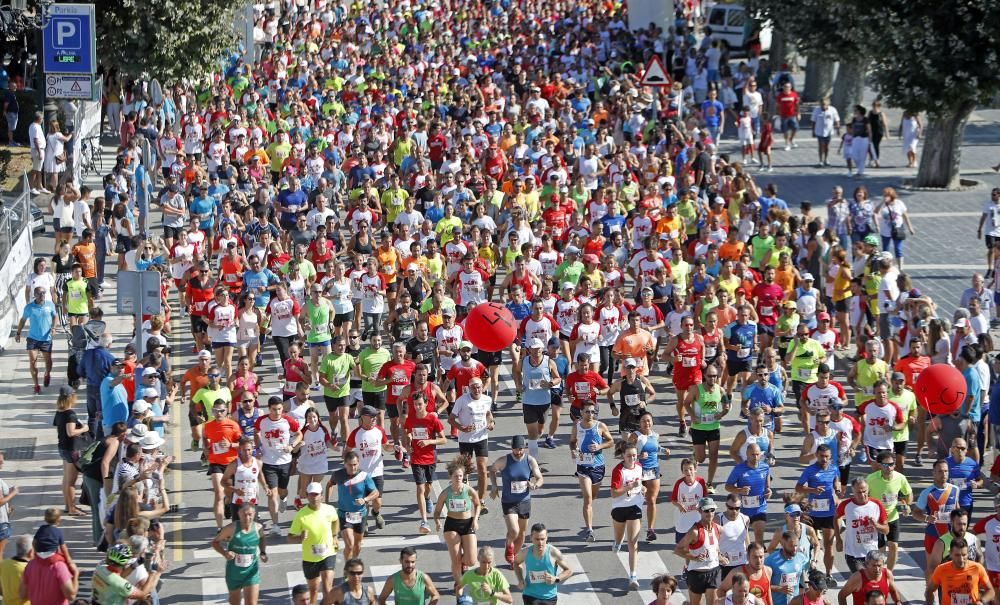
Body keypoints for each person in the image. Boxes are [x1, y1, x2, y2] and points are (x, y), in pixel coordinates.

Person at [489, 435, 544, 565]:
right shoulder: (504, 460)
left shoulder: (530, 460)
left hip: (524, 501)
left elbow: (540, 478)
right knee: (514, 530)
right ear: (511, 448)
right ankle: (509, 546)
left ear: (524, 448)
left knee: (522, 534)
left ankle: (514, 557)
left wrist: (535, 485)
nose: (518, 452)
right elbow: (492, 470)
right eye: (515, 449)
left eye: (521, 449)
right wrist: (494, 486)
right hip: (509, 501)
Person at [434, 456, 481, 591]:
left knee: (471, 560)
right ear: (450, 476)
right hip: (451, 525)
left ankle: (463, 565)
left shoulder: (469, 490)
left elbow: (478, 505)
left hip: (468, 524)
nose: (458, 478)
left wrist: (475, 519)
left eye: (460, 476)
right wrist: (437, 522)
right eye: (456, 476)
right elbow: (437, 512)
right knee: (456, 560)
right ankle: (459, 583)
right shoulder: (445, 493)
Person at [287, 481, 339, 605]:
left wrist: (335, 536)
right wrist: (300, 538)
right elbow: (289, 538)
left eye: (316, 494)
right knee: (313, 590)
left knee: (327, 588)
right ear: (306, 495)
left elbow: (335, 520)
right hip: (310, 558)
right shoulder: (301, 515)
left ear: (321, 495)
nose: (314, 497)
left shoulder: (329, 509)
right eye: (311, 494)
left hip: (328, 554)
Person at [403, 390, 447, 534]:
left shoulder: (433, 419)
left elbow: (443, 439)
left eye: (420, 404)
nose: (417, 407)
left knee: (428, 487)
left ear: (426, 404)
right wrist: (408, 444)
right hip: (416, 458)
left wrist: (429, 441)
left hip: (430, 457)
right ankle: (424, 520)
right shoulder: (410, 418)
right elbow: (407, 433)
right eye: (415, 404)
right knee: (420, 488)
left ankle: (428, 498)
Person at [570, 402, 614, 542]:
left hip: (598, 465)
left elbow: (611, 441)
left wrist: (600, 445)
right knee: (587, 498)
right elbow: (572, 441)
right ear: (581, 412)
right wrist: (573, 450)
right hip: (583, 465)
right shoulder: (577, 426)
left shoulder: (600, 426)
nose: (590, 414)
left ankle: (588, 509)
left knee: (593, 496)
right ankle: (589, 530)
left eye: (592, 412)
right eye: (587, 411)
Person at [449, 378, 495, 513]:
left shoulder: (487, 399)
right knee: (465, 472)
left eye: (479, 387)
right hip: (465, 440)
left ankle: (481, 501)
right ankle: (465, 497)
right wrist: (461, 428)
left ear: (482, 387)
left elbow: (488, 414)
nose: (477, 390)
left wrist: (491, 423)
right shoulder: (462, 400)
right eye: (474, 388)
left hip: (481, 437)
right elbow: (451, 419)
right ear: (469, 388)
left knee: (482, 469)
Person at [212, 503, 268, 605]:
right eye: (244, 514)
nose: (247, 517)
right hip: (234, 573)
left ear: (254, 514)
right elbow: (215, 542)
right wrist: (225, 553)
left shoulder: (258, 528)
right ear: (239, 514)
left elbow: (262, 538)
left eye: (250, 514)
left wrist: (263, 552)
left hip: (252, 573)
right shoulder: (231, 528)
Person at [326, 449, 377, 563]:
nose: (353, 467)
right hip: (344, 514)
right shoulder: (338, 474)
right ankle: (348, 567)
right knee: (350, 544)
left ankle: (353, 562)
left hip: (360, 514)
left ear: (358, 463)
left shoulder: (364, 476)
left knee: (357, 545)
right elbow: (329, 484)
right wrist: (327, 503)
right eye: (350, 465)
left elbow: (375, 493)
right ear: (345, 464)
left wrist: (365, 499)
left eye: (355, 464)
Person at [864, 450, 912, 570]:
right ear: (880, 466)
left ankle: (889, 573)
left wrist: (908, 505)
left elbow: (908, 494)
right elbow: (863, 496)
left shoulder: (900, 478)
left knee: (893, 546)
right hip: (877, 519)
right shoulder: (870, 479)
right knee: (880, 549)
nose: (889, 467)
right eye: (885, 465)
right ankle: (878, 570)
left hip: (892, 516)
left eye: (891, 464)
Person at [675, 497, 726, 605]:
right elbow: (678, 550)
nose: (710, 513)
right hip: (696, 574)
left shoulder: (718, 528)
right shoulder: (695, 531)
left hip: (714, 572)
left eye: (712, 510)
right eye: (706, 510)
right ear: (699, 511)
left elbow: (714, 548)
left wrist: (721, 557)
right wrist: (694, 558)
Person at [611, 442, 646, 591]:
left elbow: (640, 484)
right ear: (623, 456)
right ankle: (617, 543)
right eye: (629, 456)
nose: (632, 458)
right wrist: (630, 487)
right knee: (619, 538)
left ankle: (633, 575)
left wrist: (642, 488)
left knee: (632, 542)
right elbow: (614, 493)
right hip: (620, 507)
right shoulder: (618, 470)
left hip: (635, 506)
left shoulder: (639, 467)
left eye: (634, 455)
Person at [835, 479, 889, 572]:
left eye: (864, 492)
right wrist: (838, 538)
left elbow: (886, 530)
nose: (862, 495)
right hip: (853, 553)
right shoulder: (846, 505)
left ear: (868, 490)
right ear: (853, 491)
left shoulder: (876, 505)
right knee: (861, 580)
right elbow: (836, 517)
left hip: (872, 553)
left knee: (871, 582)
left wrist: (876, 525)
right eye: (859, 492)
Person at [513, 523, 573, 605]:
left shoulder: (553, 552)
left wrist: (556, 579)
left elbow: (569, 570)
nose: (540, 543)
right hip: (530, 595)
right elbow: (516, 563)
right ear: (531, 538)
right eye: (537, 539)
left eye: (542, 539)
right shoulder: (525, 552)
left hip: (549, 597)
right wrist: (520, 579)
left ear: (547, 537)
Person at [204, 401, 243, 529]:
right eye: (216, 410)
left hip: (231, 463)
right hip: (216, 463)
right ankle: (220, 528)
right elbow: (205, 438)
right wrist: (205, 447)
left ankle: (227, 503)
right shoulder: (208, 426)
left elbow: (242, 444)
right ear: (213, 411)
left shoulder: (233, 425)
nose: (219, 413)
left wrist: (230, 445)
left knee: (229, 494)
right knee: (218, 493)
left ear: (226, 411)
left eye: (221, 411)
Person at [725, 442, 771, 544]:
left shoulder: (765, 467)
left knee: (759, 535)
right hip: (742, 510)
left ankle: (759, 552)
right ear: (747, 454)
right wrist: (739, 490)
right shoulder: (739, 469)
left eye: (757, 454)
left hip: (759, 508)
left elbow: (767, 483)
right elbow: (727, 486)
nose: (755, 457)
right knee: (744, 539)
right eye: (752, 454)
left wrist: (768, 489)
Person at [16, 286, 57, 393]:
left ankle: (47, 373)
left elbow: (55, 316)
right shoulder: (29, 307)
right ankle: (36, 385)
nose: (42, 295)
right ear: (34, 295)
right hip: (32, 338)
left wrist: (53, 328)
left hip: (46, 339)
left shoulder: (50, 304)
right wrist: (18, 333)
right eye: (39, 293)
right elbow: (23, 320)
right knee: (32, 362)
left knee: (48, 361)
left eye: (44, 293)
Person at [90, 543, 161, 605]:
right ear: (126, 563)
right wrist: (153, 573)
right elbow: (142, 595)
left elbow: (116, 577)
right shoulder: (122, 585)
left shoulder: (100, 568)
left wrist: (136, 563)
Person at [927, 540, 994, 605]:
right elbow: (929, 590)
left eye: (964, 555)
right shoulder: (941, 569)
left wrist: (981, 601)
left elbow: (991, 590)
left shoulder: (977, 568)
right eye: (957, 555)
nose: (961, 559)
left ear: (968, 553)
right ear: (950, 553)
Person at [376, 546, 441, 605]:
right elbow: (381, 599)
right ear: (401, 561)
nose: (410, 565)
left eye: (413, 562)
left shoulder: (423, 577)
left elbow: (435, 595)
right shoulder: (393, 579)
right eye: (407, 562)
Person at [836, 550, 900, 605]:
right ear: (866, 564)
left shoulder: (887, 574)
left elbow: (893, 591)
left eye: (879, 566)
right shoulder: (857, 577)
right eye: (874, 566)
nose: (877, 569)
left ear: (883, 564)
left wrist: (898, 602)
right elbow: (841, 595)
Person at [764, 531, 810, 605]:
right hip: (777, 602)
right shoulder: (770, 561)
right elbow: (763, 585)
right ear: (783, 544)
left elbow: (802, 573)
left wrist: (807, 587)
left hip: (795, 602)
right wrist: (780, 589)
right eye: (791, 546)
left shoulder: (801, 557)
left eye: (796, 545)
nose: (795, 549)